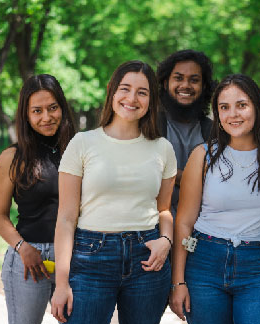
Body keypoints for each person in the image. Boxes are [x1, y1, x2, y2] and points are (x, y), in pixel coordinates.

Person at [50, 60, 177, 324]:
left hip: (147, 258)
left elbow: (163, 209)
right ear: (111, 91)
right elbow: (66, 218)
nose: (132, 98)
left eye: (142, 92)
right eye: (125, 88)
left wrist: (166, 240)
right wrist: (61, 284)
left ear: (151, 99)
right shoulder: (83, 143)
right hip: (91, 257)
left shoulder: (163, 148)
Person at [170, 74, 260, 324]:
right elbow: (184, 223)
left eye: (242, 105)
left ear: (257, 107)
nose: (233, 115)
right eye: (224, 107)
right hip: (205, 262)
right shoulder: (203, 155)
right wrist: (178, 281)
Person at [0, 74, 76, 324]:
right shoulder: (12, 158)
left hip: (75, 254)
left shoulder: (78, 150)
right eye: (37, 111)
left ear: (62, 107)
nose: (46, 117)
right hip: (30, 259)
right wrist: (22, 248)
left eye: (52, 108)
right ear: (26, 115)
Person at [157, 49, 214, 216]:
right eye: (178, 78)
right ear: (166, 82)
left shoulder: (214, 131)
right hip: (154, 228)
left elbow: (217, 180)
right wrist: (192, 177)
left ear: (204, 86)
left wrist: (169, 174)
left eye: (194, 80)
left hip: (201, 229)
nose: (186, 85)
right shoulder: (150, 125)